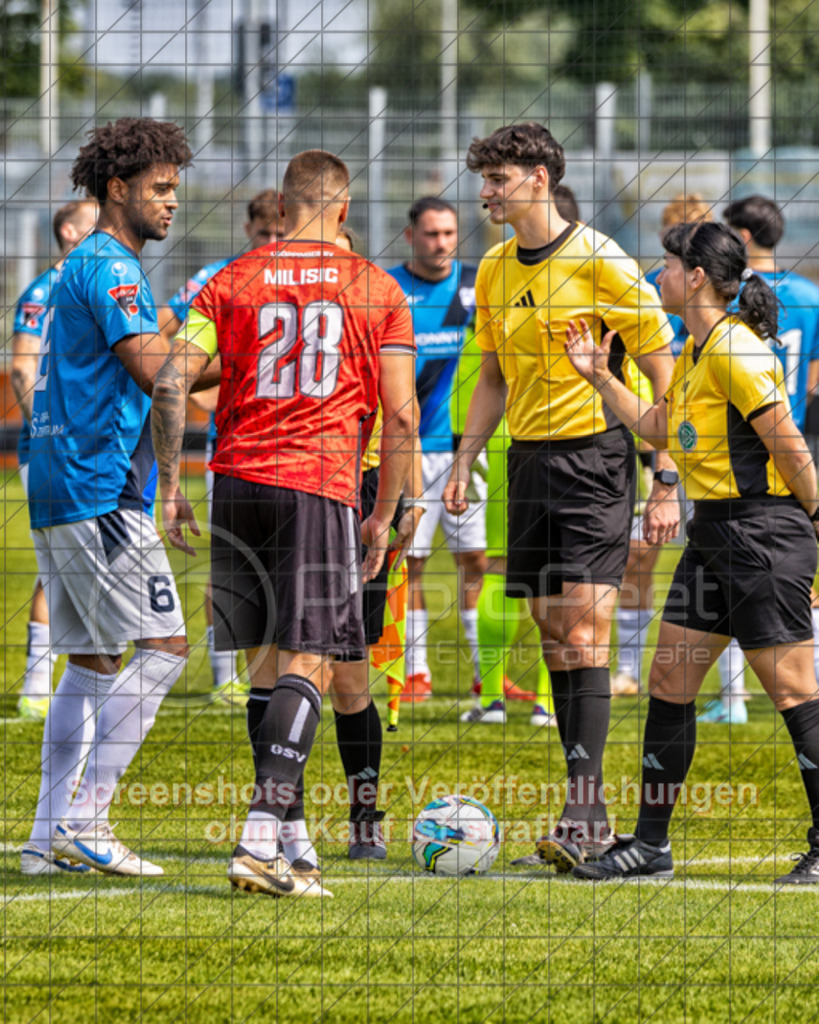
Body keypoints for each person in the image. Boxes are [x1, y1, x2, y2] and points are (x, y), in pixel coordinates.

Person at [151, 149, 416, 899]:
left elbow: (172, 377)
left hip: (235, 481)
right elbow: (400, 413)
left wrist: (173, 484)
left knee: (266, 669)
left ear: (287, 204)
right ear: (341, 208)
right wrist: (385, 513)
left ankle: (295, 846)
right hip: (317, 483)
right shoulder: (374, 287)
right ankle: (260, 839)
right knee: (312, 661)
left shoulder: (230, 279)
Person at [444, 122, 679, 872]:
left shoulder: (603, 261)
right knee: (553, 643)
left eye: (498, 179)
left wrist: (663, 475)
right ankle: (589, 809)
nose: (486, 192)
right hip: (527, 468)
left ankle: (582, 814)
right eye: (483, 178)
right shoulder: (490, 268)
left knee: (583, 640)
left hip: (594, 464)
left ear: (540, 179)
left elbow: (663, 372)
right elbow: (489, 376)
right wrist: (465, 458)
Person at [566, 220, 819, 884]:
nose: (658, 275)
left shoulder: (737, 350)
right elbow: (659, 427)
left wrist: (818, 518)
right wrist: (600, 378)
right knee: (669, 682)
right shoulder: (696, 348)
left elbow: (787, 444)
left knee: (793, 693)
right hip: (712, 537)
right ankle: (649, 847)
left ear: (697, 276)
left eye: (667, 265)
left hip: (762, 536)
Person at [22, 117, 211, 878]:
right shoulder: (113, 269)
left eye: (175, 189)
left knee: (93, 662)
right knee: (166, 648)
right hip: (98, 488)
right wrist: (240, 361)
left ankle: (45, 835)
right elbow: (159, 376)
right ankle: (88, 817)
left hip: (60, 482)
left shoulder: (90, 263)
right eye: (160, 189)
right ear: (118, 188)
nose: (172, 203)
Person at [158, 189, 286, 700]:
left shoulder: (300, 276)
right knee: (231, 563)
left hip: (293, 446)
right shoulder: (216, 277)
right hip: (232, 446)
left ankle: (276, 668)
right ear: (247, 230)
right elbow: (161, 333)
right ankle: (223, 674)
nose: (273, 241)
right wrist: (200, 388)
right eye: (264, 233)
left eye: (281, 232)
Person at [695, 195, 819, 725]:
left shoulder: (728, 307)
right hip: (794, 428)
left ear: (741, 239)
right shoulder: (810, 295)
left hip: (746, 443)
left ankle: (735, 699)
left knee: (737, 578)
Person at [389, 198, 500, 703]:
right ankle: (415, 674)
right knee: (411, 560)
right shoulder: (387, 287)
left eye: (450, 233)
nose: (442, 244)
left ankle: (489, 676)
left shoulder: (480, 287)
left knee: (477, 560)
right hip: (410, 447)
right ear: (411, 236)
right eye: (431, 234)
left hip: (466, 452)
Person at [612, 194, 715, 698]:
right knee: (638, 557)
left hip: (706, 451)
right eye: (675, 237)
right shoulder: (652, 296)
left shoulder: (721, 309)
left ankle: (734, 689)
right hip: (656, 439)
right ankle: (630, 668)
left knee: (720, 556)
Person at [10, 198, 98, 720]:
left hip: (83, 449)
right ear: (68, 231)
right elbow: (22, 369)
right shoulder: (44, 290)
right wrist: (47, 433)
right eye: (93, 225)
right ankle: (39, 687)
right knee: (57, 567)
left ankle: (57, 686)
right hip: (53, 451)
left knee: (77, 566)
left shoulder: (90, 288)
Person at [452, 319, 553, 726]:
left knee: (501, 567)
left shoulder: (492, 313)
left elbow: (470, 398)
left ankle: (493, 701)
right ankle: (548, 704)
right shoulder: (596, 289)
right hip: (579, 444)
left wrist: (465, 460)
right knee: (564, 578)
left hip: (508, 440)